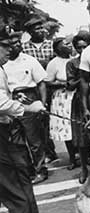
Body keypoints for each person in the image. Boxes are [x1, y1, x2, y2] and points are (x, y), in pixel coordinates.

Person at [0, 29, 62, 213]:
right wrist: (28, 108)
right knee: (19, 189)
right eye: (5, 46)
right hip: (4, 136)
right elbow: (0, 104)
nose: (10, 50)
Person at [2, 31, 49, 184]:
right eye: (10, 45)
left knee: (34, 138)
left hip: (28, 97)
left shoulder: (29, 60)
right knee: (17, 140)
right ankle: (27, 171)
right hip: (9, 100)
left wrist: (41, 102)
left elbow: (41, 82)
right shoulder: (3, 63)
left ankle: (41, 169)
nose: (14, 47)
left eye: (17, 43)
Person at [22, 17, 58, 163]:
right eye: (36, 29)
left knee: (49, 118)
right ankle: (46, 152)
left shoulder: (51, 45)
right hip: (34, 87)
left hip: (50, 87)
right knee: (37, 121)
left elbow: (56, 63)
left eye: (41, 28)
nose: (40, 31)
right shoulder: (24, 47)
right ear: (29, 32)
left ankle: (51, 150)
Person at [66, 32, 90, 183]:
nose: (82, 50)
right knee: (82, 139)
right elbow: (70, 85)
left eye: (86, 47)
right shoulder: (72, 64)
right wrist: (83, 77)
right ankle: (83, 169)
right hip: (80, 102)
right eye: (79, 47)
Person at [45, 37, 76, 167]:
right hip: (62, 98)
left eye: (70, 43)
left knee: (78, 127)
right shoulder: (54, 63)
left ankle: (86, 155)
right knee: (67, 128)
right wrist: (63, 83)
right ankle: (73, 158)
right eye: (66, 44)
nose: (70, 45)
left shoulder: (75, 60)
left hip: (76, 95)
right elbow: (48, 81)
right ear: (58, 48)